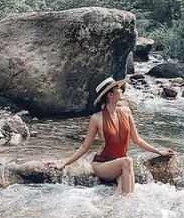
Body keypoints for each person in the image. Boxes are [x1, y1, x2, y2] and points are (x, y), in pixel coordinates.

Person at [46, 76, 175, 194]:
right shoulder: (96, 118)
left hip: (119, 165)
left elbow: (137, 140)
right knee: (128, 161)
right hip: (102, 165)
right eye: (118, 88)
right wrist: (64, 163)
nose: (121, 90)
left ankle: (115, 212)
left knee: (125, 193)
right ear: (110, 94)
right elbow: (85, 147)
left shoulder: (126, 112)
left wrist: (160, 152)